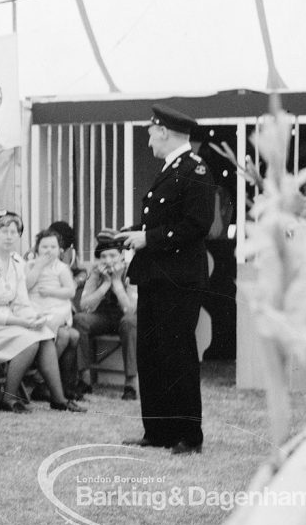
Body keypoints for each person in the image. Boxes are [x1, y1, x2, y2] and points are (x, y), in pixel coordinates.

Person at [117, 104, 214, 455]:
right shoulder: (171, 168)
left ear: (165, 132)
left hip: (179, 278)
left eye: (150, 131)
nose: (147, 139)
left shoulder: (195, 169)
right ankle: (157, 431)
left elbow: (197, 224)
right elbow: (166, 219)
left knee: (177, 353)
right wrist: (132, 232)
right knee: (152, 354)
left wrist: (150, 239)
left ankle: (188, 435)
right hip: (156, 275)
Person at [0, 211, 86, 413]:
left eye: (14, 231)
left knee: (45, 335)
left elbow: (21, 301)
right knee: (29, 341)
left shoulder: (17, 262)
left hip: (8, 318)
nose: (10, 236)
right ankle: (8, 399)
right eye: (4, 231)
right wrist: (21, 323)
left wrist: (33, 317)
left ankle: (58, 399)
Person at [72, 234, 138, 400]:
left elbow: (130, 310)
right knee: (80, 320)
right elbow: (85, 305)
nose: (108, 261)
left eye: (112, 255)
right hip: (102, 317)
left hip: (125, 319)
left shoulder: (132, 270)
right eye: (103, 256)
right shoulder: (96, 273)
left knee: (129, 322)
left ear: (122, 256)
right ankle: (85, 379)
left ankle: (130, 383)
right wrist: (105, 285)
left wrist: (116, 283)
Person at [25, 228, 80, 400]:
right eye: (44, 247)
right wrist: (38, 266)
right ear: (36, 250)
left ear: (60, 250)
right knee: (68, 336)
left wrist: (51, 291)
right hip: (35, 307)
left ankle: (46, 380)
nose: (49, 251)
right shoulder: (31, 266)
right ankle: (49, 383)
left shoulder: (61, 268)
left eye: (53, 247)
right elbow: (26, 286)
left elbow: (70, 291)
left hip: (57, 306)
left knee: (68, 334)